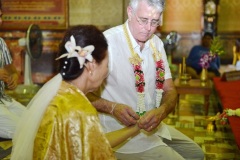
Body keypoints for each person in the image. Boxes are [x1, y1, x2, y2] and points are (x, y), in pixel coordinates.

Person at [88, 0, 205, 159]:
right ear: (130, 12)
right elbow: (80, 93)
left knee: (196, 154)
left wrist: (161, 112)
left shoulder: (156, 43)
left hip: (154, 128)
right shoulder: (107, 43)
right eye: (143, 20)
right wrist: (112, 108)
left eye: (154, 22)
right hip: (121, 137)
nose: (149, 28)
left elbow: (169, 90)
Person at [11, 25, 141, 160]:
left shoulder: (58, 93)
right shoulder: (80, 109)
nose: (106, 73)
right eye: (106, 65)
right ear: (91, 66)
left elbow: (93, 143)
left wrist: (135, 128)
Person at [0, 0, 26, 139]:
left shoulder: (1, 43)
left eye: (0, 16)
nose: (0, 21)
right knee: (24, 131)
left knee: (36, 121)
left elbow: (11, 70)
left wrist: (14, 76)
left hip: (4, 99)